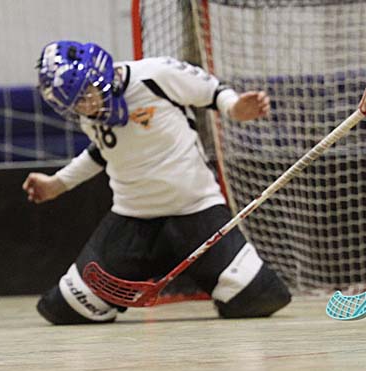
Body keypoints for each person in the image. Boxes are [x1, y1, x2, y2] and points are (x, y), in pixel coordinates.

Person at [23, 40, 291, 325]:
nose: (87, 107)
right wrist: (58, 184)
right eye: (76, 103)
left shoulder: (155, 75)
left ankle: (215, 272)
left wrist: (234, 108)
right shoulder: (92, 114)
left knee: (261, 297)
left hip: (197, 213)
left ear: (101, 74)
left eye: (87, 94)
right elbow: (103, 150)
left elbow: (212, 91)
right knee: (65, 310)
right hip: (132, 222)